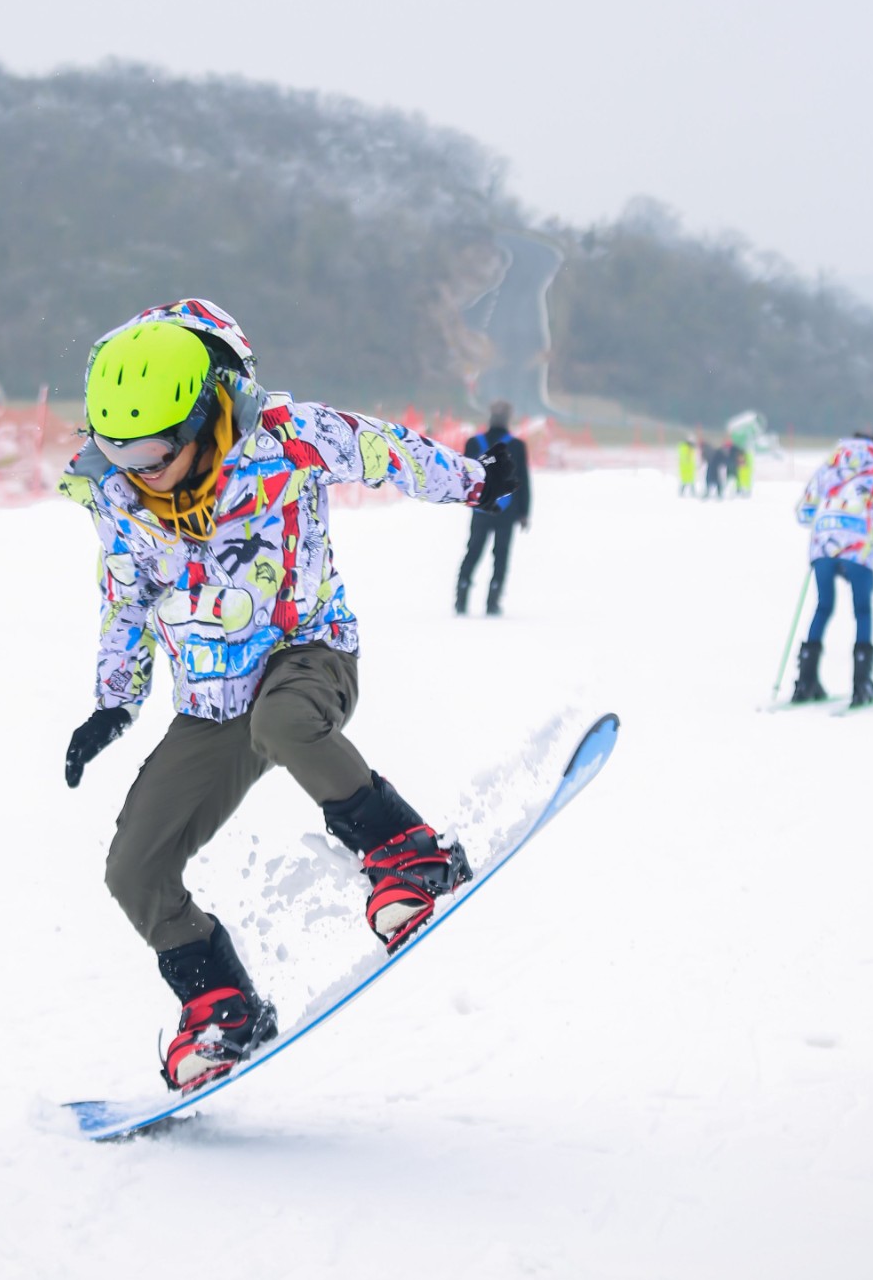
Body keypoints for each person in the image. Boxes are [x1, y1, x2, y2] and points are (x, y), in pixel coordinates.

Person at [58, 299, 519, 1095]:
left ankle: (406, 853)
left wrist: (477, 484)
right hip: (211, 703)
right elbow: (125, 599)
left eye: (153, 447)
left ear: (201, 416)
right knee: (133, 869)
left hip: (308, 653)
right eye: (114, 447)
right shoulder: (119, 499)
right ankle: (221, 1006)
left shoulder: (286, 439)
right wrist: (113, 702)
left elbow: (384, 451)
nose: (136, 465)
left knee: (283, 720)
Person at [791, 435, 873, 706]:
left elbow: (804, 513)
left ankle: (806, 681)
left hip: (823, 546)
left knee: (823, 606)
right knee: (862, 611)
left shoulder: (827, 470)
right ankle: (861, 684)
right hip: (858, 547)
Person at [454, 400, 531, 616]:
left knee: (473, 552)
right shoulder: (516, 445)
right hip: (507, 510)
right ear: (508, 419)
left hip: (481, 508)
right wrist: (524, 512)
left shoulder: (473, 443)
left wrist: (466, 500)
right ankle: (493, 602)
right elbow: (523, 480)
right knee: (501, 555)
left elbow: (464, 476)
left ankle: (461, 597)